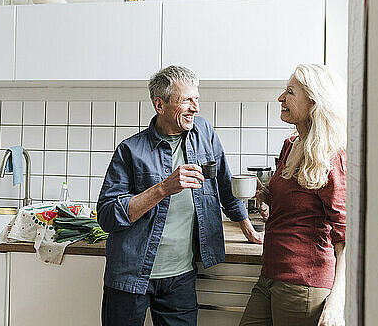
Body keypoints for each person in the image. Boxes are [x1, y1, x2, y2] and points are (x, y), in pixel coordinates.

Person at [97, 65, 263, 326]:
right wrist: (163, 188)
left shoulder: (204, 133)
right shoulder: (130, 150)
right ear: (160, 104)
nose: (195, 107)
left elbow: (224, 186)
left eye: (196, 98)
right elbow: (107, 216)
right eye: (186, 100)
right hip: (130, 275)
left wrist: (248, 229)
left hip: (180, 277)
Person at [240, 64, 347, 326]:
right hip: (270, 274)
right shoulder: (291, 145)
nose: (280, 98)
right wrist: (265, 196)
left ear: (313, 101)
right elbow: (297, 204)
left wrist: (335, 304)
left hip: (304, 285)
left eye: (290, 92)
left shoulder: (331, 157)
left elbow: (347, 239)